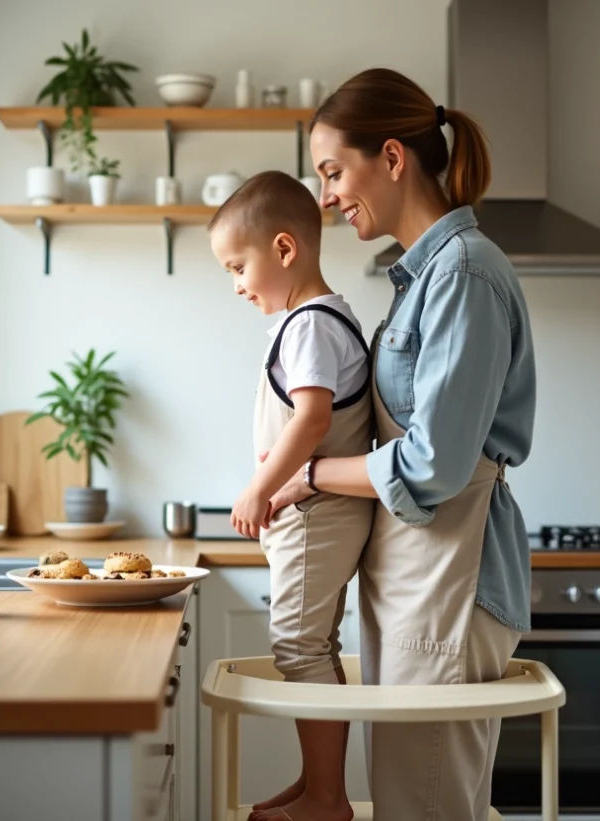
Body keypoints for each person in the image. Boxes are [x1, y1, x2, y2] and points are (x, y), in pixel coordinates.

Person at [261, 68, 537, 820]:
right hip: (420, 576)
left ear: (391, 157)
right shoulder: (422, 279)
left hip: (449, 574)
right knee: (416, 799)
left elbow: (433, 464)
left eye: (331, 171)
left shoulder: (465, 276)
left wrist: (309, 472)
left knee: (427, 806)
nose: (324, 196)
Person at [208, 170, 375, 821]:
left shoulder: (308, 325)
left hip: (315, 517)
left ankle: (328, 800)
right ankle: (316, 787)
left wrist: (258, 488)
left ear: (284, 249)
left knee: (299, 649)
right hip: (312, 517)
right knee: (313, 648)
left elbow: (311, 419)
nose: (237, 285)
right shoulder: (318, 319)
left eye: (238, 265)